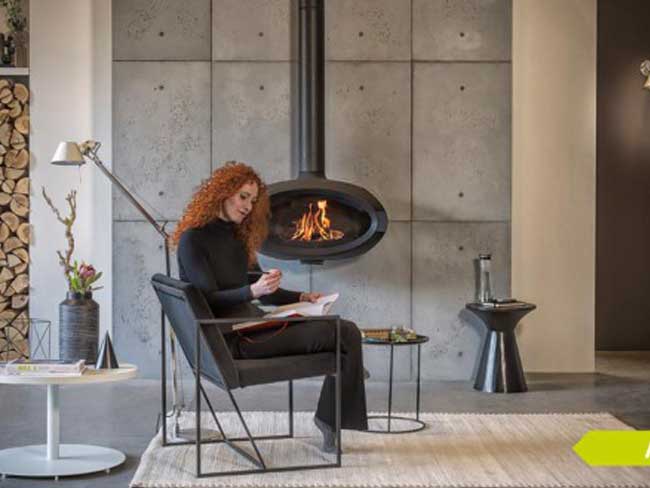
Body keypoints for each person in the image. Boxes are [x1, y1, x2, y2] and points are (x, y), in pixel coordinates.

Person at [170, 161, 368, 452]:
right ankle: (336, 405)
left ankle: (338, 401)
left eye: (252, 200)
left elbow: (260, 291)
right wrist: (252, 291)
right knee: (346, 335)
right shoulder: (193, 240)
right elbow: (206, 299)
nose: (248, 206)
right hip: (232, 339)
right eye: (243, 197)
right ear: (222, 193)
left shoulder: (237, 238)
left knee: (344, 335)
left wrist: (302, 297)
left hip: (257, 327)